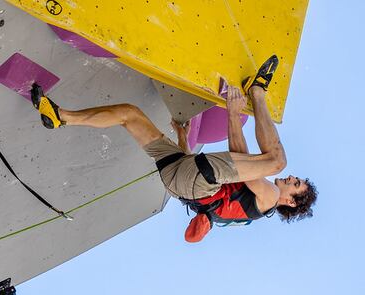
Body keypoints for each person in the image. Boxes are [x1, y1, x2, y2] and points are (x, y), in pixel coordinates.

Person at [31, 56, 317, 242]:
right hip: (178, 177)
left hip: (196, 179)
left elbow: (241, 168)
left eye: (296, 185)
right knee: (129, 115)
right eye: (296, 179)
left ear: (291, 201)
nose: (291, 179)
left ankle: (258, 92)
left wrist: (233, 113)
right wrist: (183, 142)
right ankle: (61, 117)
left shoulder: (268, 200)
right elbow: (237, 165)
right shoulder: (249, 208)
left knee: (276, 160)